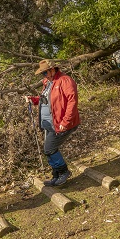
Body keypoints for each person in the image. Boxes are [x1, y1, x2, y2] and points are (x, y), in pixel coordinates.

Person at [26, 59, 80, 187]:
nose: (43, 76)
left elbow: (72, 101)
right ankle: (56, 175)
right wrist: (33, 100)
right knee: (49, 149)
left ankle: (64, 172)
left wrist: (65, 121)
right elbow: (45, 99)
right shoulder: (47, 82)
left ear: (52, 69)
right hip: (49, 123)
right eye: (42, 74)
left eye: (45, 73)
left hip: (62, 123)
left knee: (49, 149)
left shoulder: (65, 80)